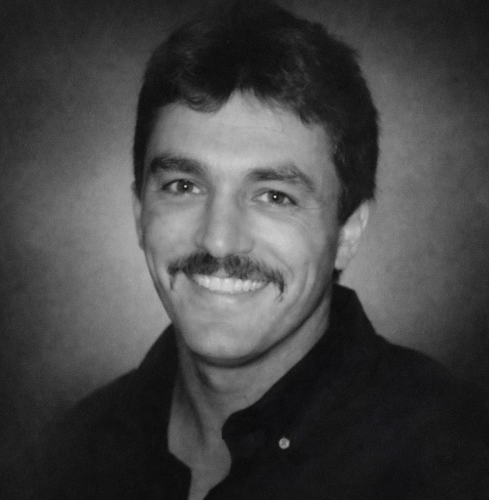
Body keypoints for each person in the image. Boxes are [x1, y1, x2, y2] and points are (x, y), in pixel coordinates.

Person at [29, 1, 489, 498]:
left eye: (274, 196)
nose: (218, 240)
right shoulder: (78, 449)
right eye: (184, 186)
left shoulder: (453, 457)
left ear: (348, 233)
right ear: (140, 212)